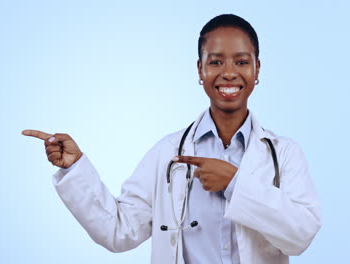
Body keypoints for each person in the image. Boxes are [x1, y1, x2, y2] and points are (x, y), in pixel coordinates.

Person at [22, 14, 321, 264]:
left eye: (242, 62)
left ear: (257, 70)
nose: (229, 73)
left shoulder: (284, 154)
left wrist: (234, 183)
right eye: (215, 62)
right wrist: (75, 169)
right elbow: (119, 230)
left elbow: (302, 235)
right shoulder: (167, 152)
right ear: (199, 70)